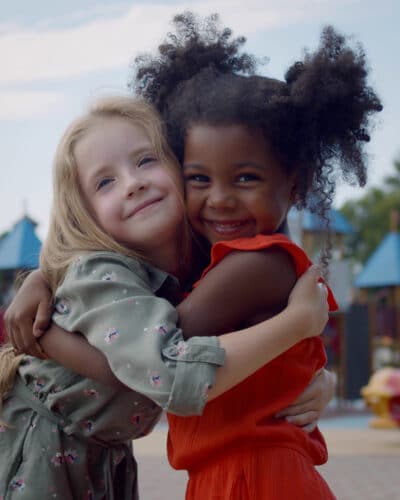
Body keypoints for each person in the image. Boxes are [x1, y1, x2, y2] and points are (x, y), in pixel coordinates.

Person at [0, 96, 330, 499]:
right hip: (39, 448)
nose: (133, 182)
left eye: (145, 160)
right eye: (105, 182)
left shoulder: (187, 270)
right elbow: (168, 372)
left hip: (104, 456)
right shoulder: (99, 272)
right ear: (84, 214)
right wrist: (297, 324)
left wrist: (318, 376)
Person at [129, 12, 383, 499]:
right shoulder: (233, 263)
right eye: (199, 178)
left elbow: (150, 354)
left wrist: (48, 330)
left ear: (297, 183)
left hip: (254, 477)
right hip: (239, 476)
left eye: (246, 178)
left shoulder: (259, 264)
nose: (220, 198)